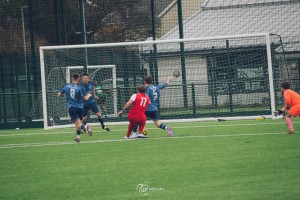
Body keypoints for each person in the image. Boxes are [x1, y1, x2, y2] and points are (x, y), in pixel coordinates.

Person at [57, 73, 93, 142]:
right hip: (80, 108)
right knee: (78, 124)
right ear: (79, 79)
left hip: (72, 108)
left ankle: (86, 127)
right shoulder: (80, 87)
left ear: (71, 78)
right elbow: (85, 98)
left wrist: (65, 94)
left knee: (79, 125)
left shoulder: (66, 86)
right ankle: (78, 137)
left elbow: (59, 94)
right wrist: (89, 95)